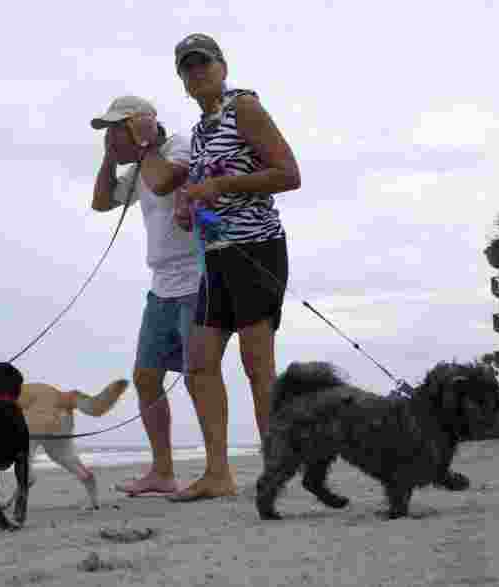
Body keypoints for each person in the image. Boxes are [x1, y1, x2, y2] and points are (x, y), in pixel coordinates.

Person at [168, 34, 302, 502]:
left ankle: (275, 472)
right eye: (187, 68)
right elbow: (213, 189)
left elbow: (289, 174)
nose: (197, 72)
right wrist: (191, 204)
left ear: (223, 67)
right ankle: (218, 473)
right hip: (218, 255)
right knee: (199, 364)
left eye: (204, 63)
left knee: (257, 366)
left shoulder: (244, 109)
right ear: (182, 80)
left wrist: (220, 184)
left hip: (258, 248)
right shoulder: (202, 128)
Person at [89, 95, 197, 495]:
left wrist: (147, 145)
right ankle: (163, 472)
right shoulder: (140, 167)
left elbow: (167, 179)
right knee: (146, 376)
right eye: (110, 131)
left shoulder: (178, 146)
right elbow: (101, 203)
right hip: (161, 285)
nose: (113, 136)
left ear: (142, 125)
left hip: (196, 280)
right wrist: (109, 160)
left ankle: (214, 469)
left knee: (196, 378)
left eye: (118, 128)